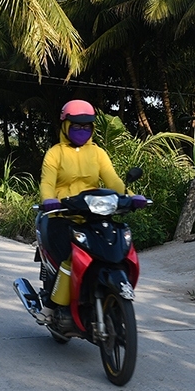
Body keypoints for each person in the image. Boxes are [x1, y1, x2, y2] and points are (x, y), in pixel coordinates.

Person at [36, 99, 127, 331]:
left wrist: (130, 196)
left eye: (87, 126)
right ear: (65, 126)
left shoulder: (97, 153)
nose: (82, 131)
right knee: (69, 256)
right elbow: (47, 182)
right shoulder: (55, 154)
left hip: (93, 216)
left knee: (112, 250)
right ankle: (48, 306)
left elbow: (113, 180)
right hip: (60, 215)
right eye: (76, 126)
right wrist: (49, 200)